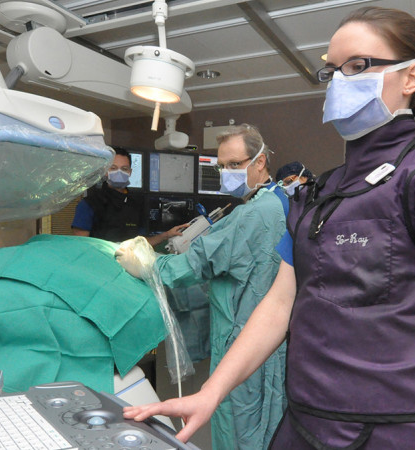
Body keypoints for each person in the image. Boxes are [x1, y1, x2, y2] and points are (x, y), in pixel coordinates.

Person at [122, 6, 415, 449]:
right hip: (307, 425)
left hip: (411, 431)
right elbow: (278, 306)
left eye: (358, 66)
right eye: (332, 71)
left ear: (411, 77)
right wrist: (212, 391)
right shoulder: (317, 195)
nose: (340, 82)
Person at [116, 124, 289, 450]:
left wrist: (144, 262)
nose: (227, 173)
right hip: (268, 348)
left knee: (241, 433)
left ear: (260, 161)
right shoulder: (279, 200)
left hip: (245, 349)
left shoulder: (256, 214)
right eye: (222, 166)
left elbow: (190, 267)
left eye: (235, 165)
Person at [71, 147, 186, 245]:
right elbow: (81, 246)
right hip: (99, 266)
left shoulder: (136, 204)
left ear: (130, 172)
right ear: (105, 171)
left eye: (124, 169)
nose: (119, 172)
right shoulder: (89, 204)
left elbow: (141, 243)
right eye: (113, 168)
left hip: (128, 266)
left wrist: (166, 235)